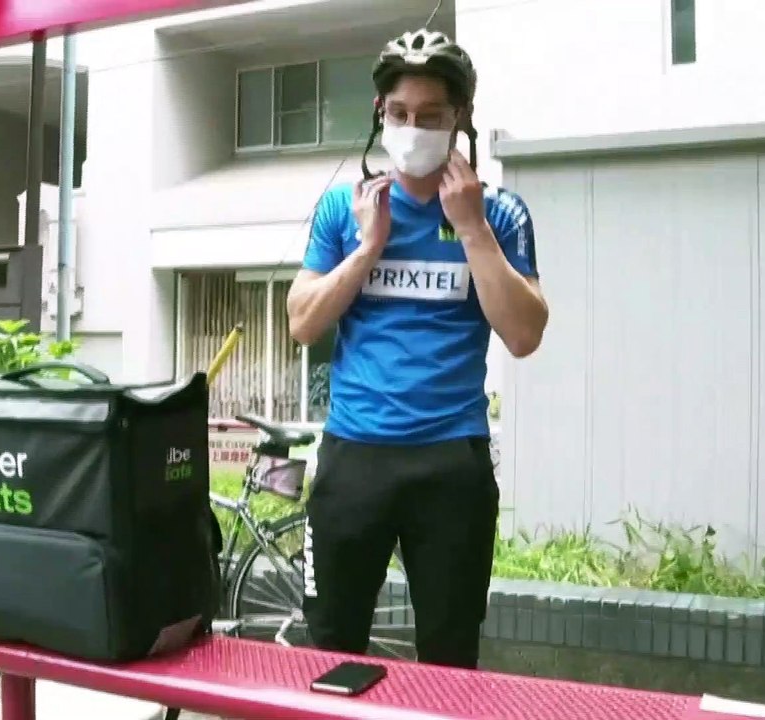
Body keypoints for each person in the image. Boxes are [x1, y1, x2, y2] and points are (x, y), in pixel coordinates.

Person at [285, 28, 549, 669]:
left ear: (460, 119)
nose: (413, 128)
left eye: (431, 116)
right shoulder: (342, 210)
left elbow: (524, 334)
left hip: (449, 464)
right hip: (355, 456)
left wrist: (472, 230)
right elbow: (302, 323)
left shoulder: (502, 214)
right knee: (330, 652)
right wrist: (367, 248)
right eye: (399, 113)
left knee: (451, 656)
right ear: (380, 113)